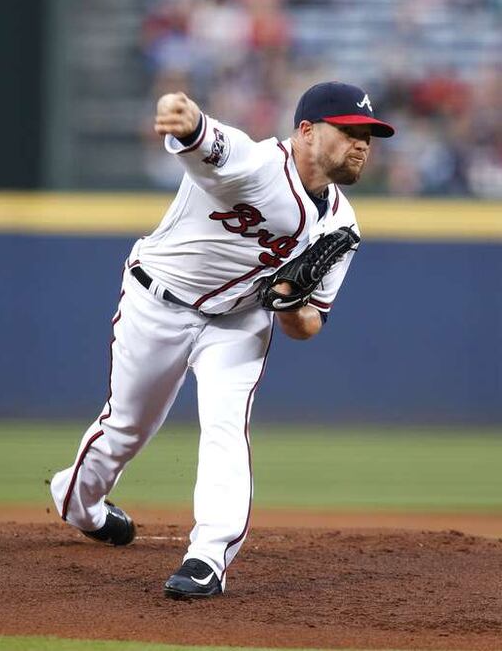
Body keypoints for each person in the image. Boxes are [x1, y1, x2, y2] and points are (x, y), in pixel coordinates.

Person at [50, 81, 395, 599]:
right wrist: (179, 115)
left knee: (226, 427)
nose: (362, 142)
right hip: (158, 301)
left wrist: (289, 302)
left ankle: (208, 556)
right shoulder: (253, 163)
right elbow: (202, 137)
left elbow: (307, 326)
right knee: (126, 427)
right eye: (349, 131)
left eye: (368, 133)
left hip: (238, 320)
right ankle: (79, 503)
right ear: (305, 131)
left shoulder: (342, 226)